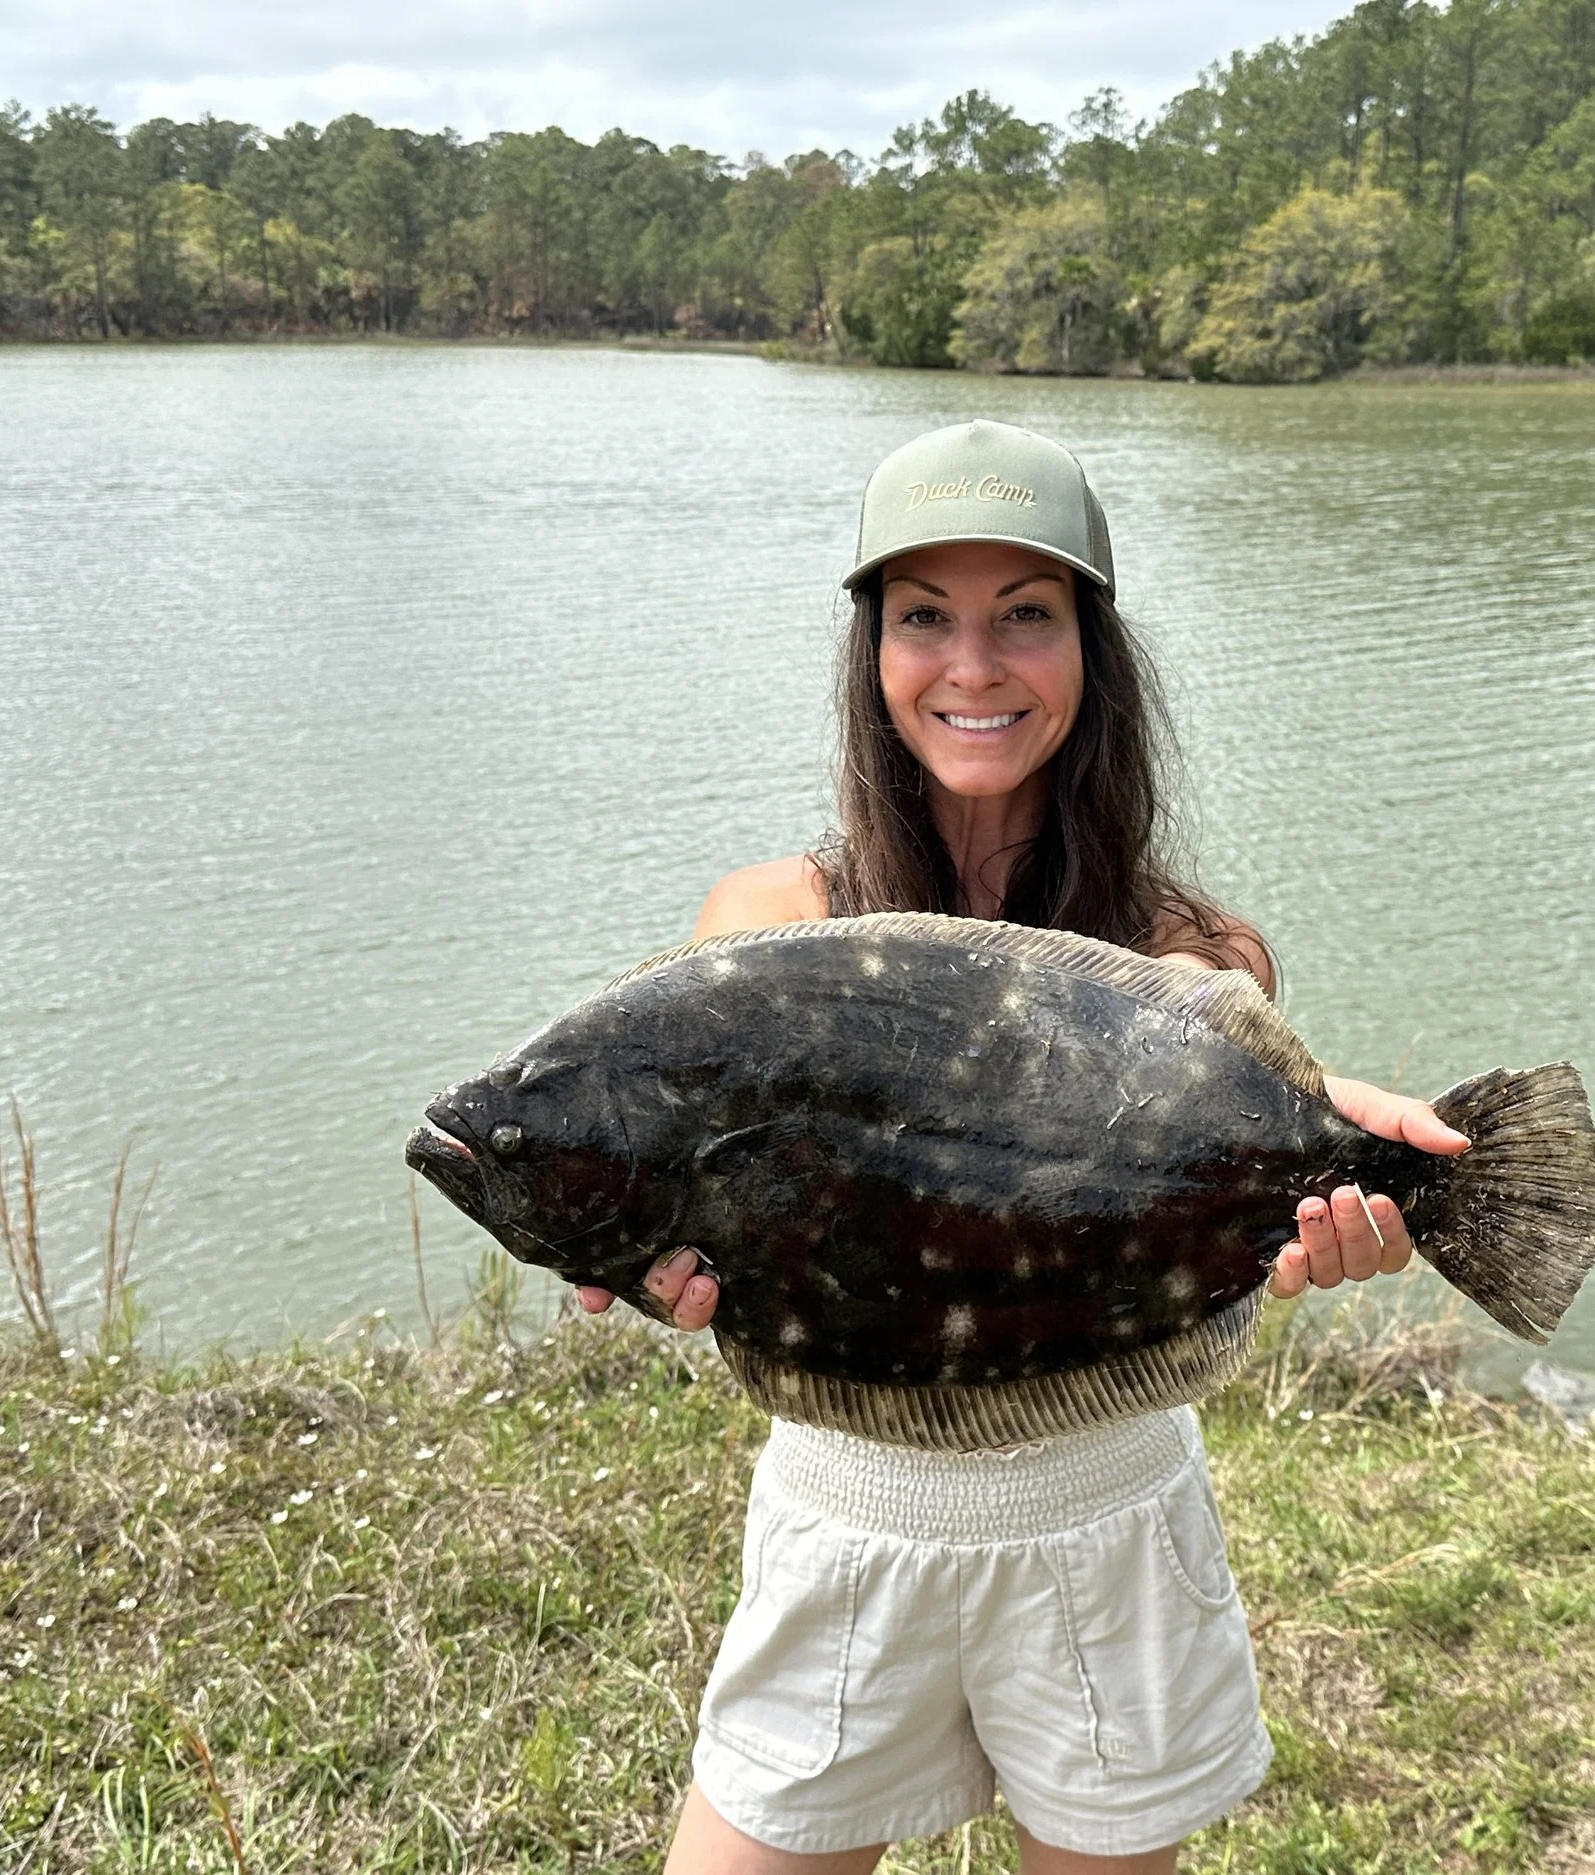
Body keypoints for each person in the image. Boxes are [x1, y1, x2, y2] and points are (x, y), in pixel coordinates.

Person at [574, 420, 1466, 1874]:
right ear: (873, 651)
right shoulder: (761, 925)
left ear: (1091, 654)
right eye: (925, 616)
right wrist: (645, 1242)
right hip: (846, 1519)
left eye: (1024, 617)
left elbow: (1197, 1198)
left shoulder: (1193, 958)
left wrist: (1345, 1172)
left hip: (1105, 1520)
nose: (972, 665)